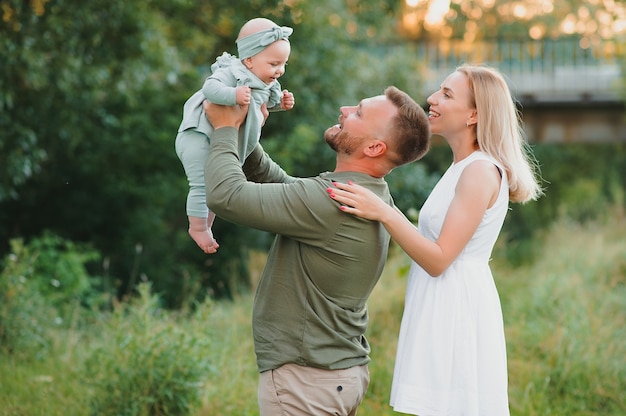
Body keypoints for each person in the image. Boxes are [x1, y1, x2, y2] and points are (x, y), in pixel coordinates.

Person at [328, 64, 543, 415]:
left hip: (456, 307)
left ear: (474, 114)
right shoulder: (463, 166)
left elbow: (440, 258)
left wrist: (384, 211)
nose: (431, 98)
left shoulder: (479, 171)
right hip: (442, 300)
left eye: (447, 94)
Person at [202, 86, 431, 415]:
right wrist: (246, 131)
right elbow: (282, 186)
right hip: (335, 374)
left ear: (375, 147)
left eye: (359, 113)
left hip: (306, 382)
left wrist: (224, 127)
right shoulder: (367, 193)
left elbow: (226, 195)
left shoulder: (333, 200)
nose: (344, 108)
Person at [175, 17, 295, 254]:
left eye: (284, 64)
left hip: (221, 141)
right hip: (199, 135)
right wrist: (233, 95)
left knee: (216, 186)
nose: (279, 70)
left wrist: (281, 103)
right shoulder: (232, 73)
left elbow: (265, 104)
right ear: (249, 60)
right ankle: (198, 227)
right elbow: (210, 89)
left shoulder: (266, 81)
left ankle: (207, 226)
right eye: (274, 64)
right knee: (201, 184)